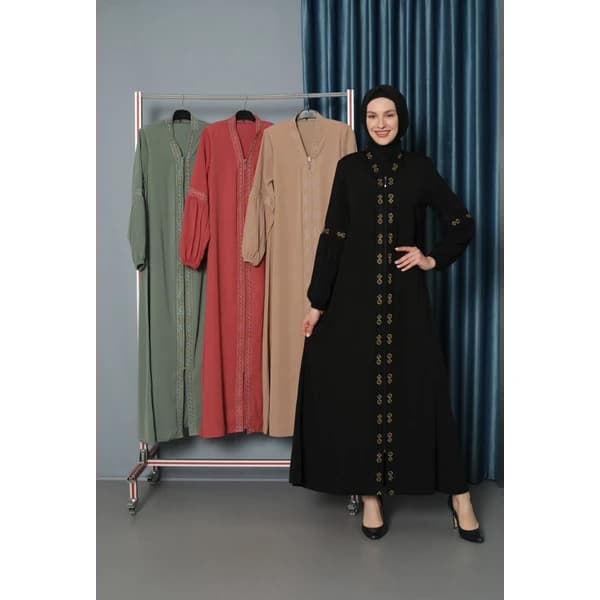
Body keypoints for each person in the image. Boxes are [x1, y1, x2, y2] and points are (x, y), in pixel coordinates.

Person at [289, 85, 483, 543]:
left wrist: (431, 258)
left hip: (406, 300)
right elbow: (334, 236)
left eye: (389, 115)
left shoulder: (419, 168)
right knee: (358, 394)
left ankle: (459, 497)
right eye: (372, 115)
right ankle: (370, 496)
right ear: (364, 120)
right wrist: (317, 303)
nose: (380, 123)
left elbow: (461, 222)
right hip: (351, 303)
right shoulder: (349, 169)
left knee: (425, 389)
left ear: (402, 119)